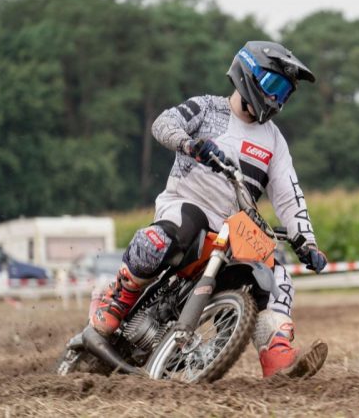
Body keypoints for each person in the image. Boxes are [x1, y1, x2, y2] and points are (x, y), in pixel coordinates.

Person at [90, 41, 329, 378]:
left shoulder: (274, 140)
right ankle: (118, 297)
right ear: (248, 74)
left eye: (285, 93)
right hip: (187, 205)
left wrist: (307, 241)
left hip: (235, 227)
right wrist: (190, 145)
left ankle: (278, 358)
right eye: (273, 86)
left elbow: (290, 195)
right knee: (175, 231)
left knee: (278, 275)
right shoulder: (207, 108)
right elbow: (163, 124)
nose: (277, 100)